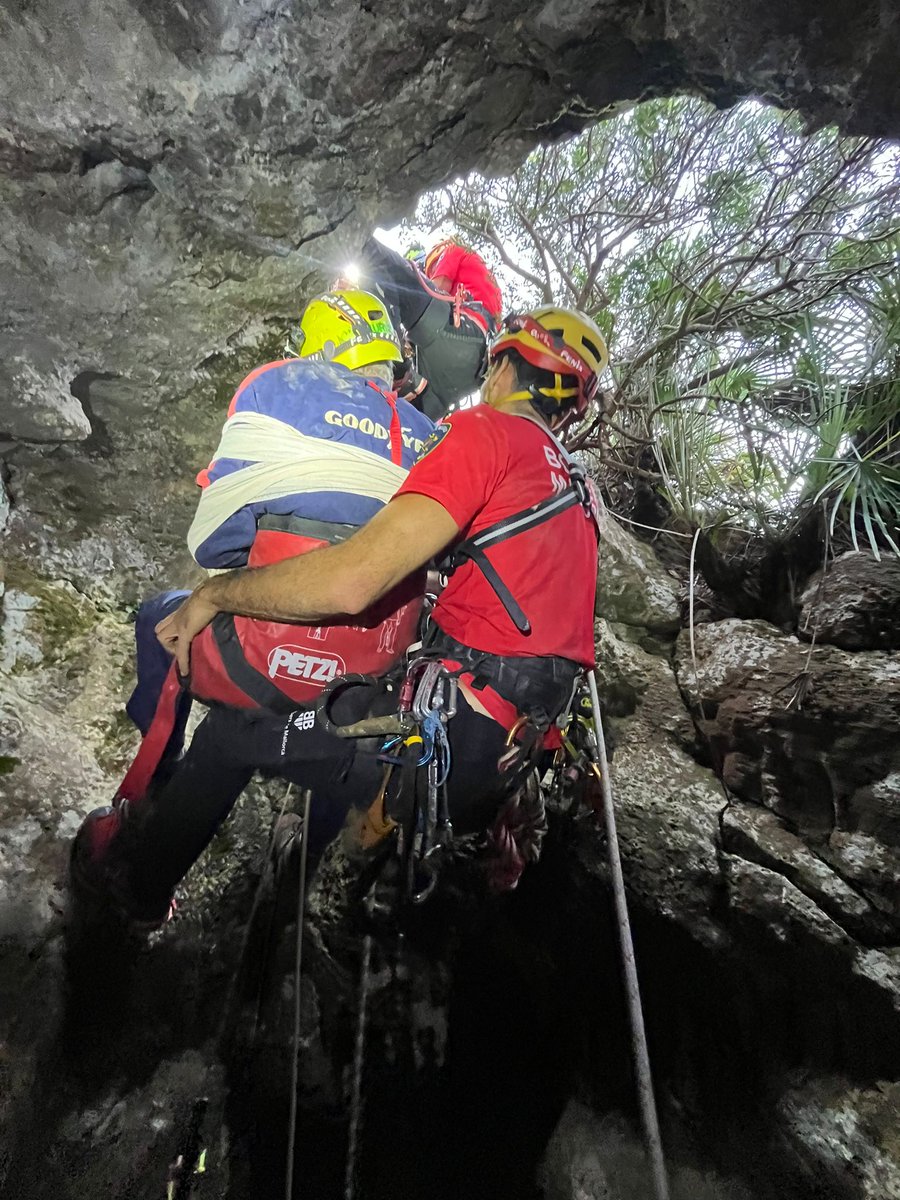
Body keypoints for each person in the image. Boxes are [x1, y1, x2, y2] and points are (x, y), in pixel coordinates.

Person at [81, 306, 609, 928]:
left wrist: (216, 596)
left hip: (437, 755)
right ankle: (292, 881)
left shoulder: (487, 435)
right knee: (343, 713)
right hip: (500, 763)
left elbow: (354, 581)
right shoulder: (576, 489)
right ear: (570, 405)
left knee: (234, 737)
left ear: (500, 366)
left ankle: (137, 898)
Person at [70, 289, 435, 924]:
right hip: (358, 693)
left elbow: (215, 542)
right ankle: (304, 861)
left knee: (165, 618)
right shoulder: (433, 438)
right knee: (331, 732)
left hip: (254, 665)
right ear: (391, 358)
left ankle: (144, 804)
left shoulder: (278, 386)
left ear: (317, 344)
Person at [359, 236, 503, 419]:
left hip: (459, 336)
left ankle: (395, 363)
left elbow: (437, 287)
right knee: (404, 424)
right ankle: (406, 382)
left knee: (376, 255)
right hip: (467, 375)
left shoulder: (453, 249)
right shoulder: (487, 285)